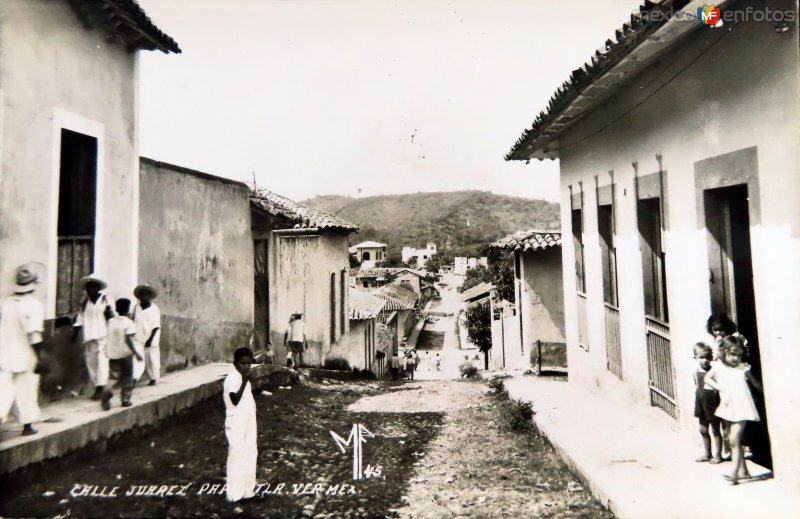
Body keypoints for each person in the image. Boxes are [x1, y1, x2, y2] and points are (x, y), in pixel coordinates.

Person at [705, 336, 762, 485]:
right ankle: (744, 472)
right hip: (727, 407)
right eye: (732, 354)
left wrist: (767, 396)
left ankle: (734, 473)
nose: (736, 358)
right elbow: (707, 378)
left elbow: (756, 384)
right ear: (723, 352)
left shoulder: (743, 368)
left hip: (742, 408)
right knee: (730, 439)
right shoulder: (718, 366)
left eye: (738, 355)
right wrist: (720, 388)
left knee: (734, 440)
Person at [0, 265, 45, 436]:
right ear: (33, 284)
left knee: (3, 390)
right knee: (26, 390)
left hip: (4, 353)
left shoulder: (4, 303)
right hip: (26, 355)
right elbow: (34, 336)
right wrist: (40, 358)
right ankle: (27, 425)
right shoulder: (33, 305)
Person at [223, 347, 258, 502]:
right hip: (236, 420)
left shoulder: (244, 377)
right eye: (243, 363)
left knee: (250, 451)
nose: (247, 367)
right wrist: (244, 381)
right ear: (235, 363)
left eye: (249, 364)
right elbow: (235, 399)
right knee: (237, 453)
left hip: (248, 419)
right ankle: (234, 494)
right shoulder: (232, 378)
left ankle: (248, 490)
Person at [72, 274, 114, 399]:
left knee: (102, 361)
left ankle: (101, 388)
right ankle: (97, 386)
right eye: (89, 287)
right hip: (89, 336)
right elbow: (80, 317)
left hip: (103, 335)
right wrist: (75, 333)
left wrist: (110, 314)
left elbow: (113, 317)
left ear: (98, 288)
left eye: (93, 287)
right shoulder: (85, 302)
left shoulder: (105, 300)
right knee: (91, 362)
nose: (91, 290)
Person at [101, 299, 142, 410]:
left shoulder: (111, 321)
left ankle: (107, 390)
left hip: (113, 355)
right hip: (126, 354)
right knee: (128, 377)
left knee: (113, 376)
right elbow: (128, 338)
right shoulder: (129, 322)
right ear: (128, 309)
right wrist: (136, 352)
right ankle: (125, 400)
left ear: (117, 309)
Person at [692, 343, 722, 464]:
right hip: (700, 402)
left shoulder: (714, 371)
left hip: (712, 403)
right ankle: (707, 454)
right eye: (701, 357)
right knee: (703, 430)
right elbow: (697, 386)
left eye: (708, 357)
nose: (705, 360)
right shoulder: (695, 371)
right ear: (695, 358)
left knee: (715, 430)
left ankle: (718, 456)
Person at [133, 284, 161, 386]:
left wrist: (150, 339)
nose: (144, 297)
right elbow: (134, 320)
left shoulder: (154, 309)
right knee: (137, 358)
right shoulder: (137, 308)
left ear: (149, 297)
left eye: (146, 295)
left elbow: (156, 325)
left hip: (151, 336)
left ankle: (153, 378)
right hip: (138, 336)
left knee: (152, 358)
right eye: (142, 295)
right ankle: (134, 378)